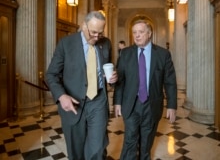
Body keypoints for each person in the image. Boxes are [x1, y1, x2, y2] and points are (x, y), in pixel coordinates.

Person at [46, 11, 117, 160]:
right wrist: (61, 96)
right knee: (76, 151)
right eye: (93, 32)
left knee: (97, 148)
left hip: (98, 101)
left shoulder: (105, 43)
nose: (97, 37)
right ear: (84, 26)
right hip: (73, 103)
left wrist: (112, 78)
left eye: (100, 33)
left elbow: (107, 70)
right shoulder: (66, 44)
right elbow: (51, 74)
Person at [113, 19, 177, 160]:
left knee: (146, 141)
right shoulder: (125, 53)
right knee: (130, 139)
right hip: (131, 104)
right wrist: (117, 102)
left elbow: (170, 82)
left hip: (151, 104)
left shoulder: (162, 54)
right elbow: (120, 81)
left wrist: (172, 105)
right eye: (134, 32)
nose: (137, 35)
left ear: (149, 34)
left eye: (141, 32)